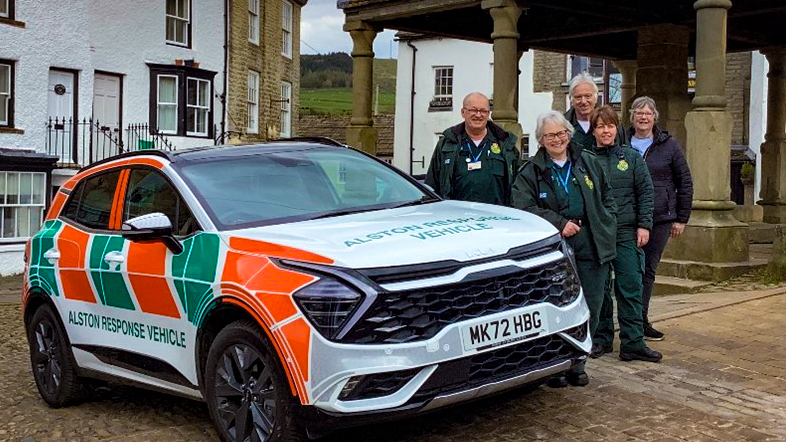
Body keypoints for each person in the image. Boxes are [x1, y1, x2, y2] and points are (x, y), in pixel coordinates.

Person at [512, 111, 617, 387]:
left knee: (590, 305)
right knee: (556, 307)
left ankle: (578, 363)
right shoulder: (530, 172)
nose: (557, 139)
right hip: (554, 248)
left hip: (592, 244)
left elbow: (607, 197)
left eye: (561, 134)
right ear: (541, 140)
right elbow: (522, 207)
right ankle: (555, 365)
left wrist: (607, 223)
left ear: (569, 134)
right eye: (550, 135)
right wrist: (559, 223)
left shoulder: (588, 162)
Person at [587, 105, 662, 363]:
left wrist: (644, 225)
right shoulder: (585, 160)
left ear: (616, 128)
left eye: (609, 125)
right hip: (597, 235)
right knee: (600, 290)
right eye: (600, 126)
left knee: (630, 286)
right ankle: (601, 338)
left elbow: (646, 192)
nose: (605, 131)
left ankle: (632, 342)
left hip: (627, 233)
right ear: (593, 130)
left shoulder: (631, 158)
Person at [627, 96, 693, 340]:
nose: (643, 117)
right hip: (628, 218)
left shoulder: (669, 146)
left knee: (647, 270)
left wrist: (681, 218)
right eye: (639, 113)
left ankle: (640, 320)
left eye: (648, 113)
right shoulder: (622, 142)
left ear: (655, 117)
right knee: (629, 270)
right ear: (631, 116)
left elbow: (684, 182)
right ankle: (628, 321)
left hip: (660, 218)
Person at [425, 92, 520, 206]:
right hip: (457, 217)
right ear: (463, 112)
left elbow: (518, 187)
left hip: (496, 218)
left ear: (488, 114)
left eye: (483, 111)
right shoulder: (446, 145)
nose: (478, 115)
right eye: (473, 110)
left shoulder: (505, 144)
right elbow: (432, 185)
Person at [564, 72, 628, 150]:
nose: (583, 101)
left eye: (588, 96)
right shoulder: (562, 126)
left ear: (596, 97)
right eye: (578, 97)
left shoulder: (612, 124)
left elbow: (627, 154)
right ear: (571, 99)